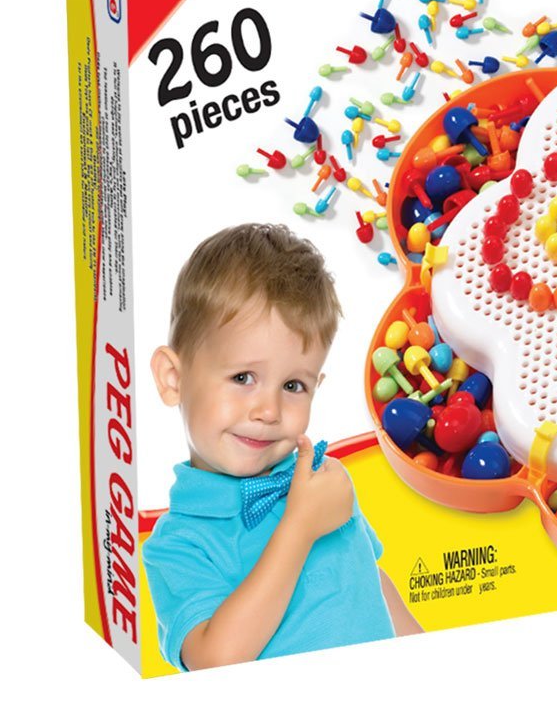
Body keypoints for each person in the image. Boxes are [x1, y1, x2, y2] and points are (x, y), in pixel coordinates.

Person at [142, 223, 420, 670]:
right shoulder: (178, 544)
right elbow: (214, 661)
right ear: (173, 379)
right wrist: (299, 527)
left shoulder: (321, 482)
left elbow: (370, 580)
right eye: (243, 378)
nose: (269, 410)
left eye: (293, 385)